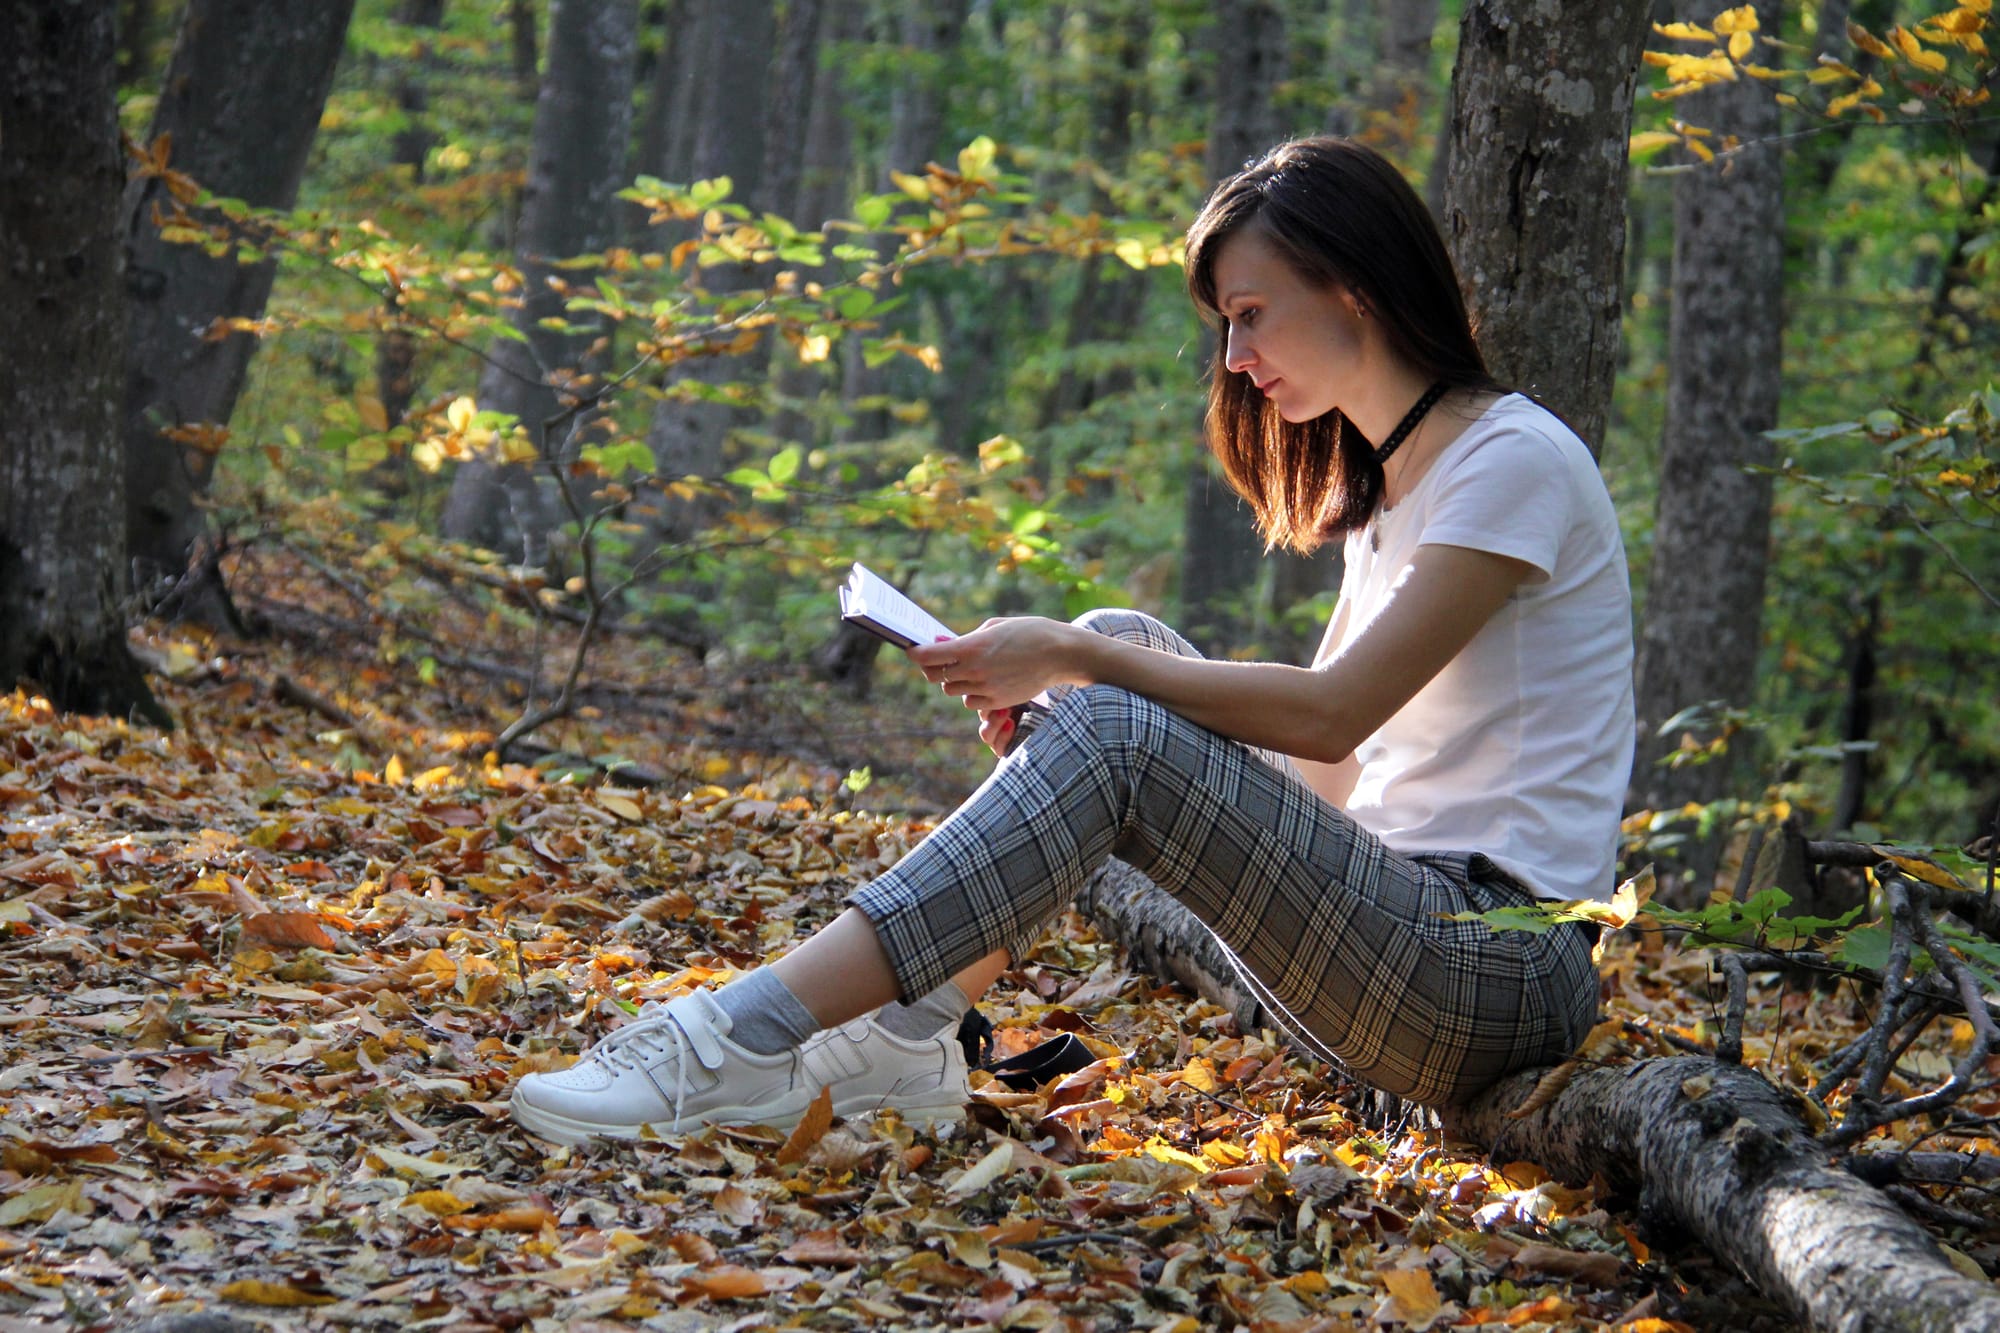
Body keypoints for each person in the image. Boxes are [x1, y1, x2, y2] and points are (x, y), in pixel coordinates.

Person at [509, 137, 1635, 1146]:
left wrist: (1083, 688)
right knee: (1118, 643)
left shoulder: (1509, 461)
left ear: (1350, 288)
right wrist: (1075, 730)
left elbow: (1333, 711)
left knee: (1104, 685)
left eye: (1249, 313)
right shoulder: (1392, 487)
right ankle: (907, 1036)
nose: (1234, 357)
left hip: (1501, 964)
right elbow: (1331, 779)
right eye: (1225, 326)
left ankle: (730, 1040)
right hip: (1395, 923)